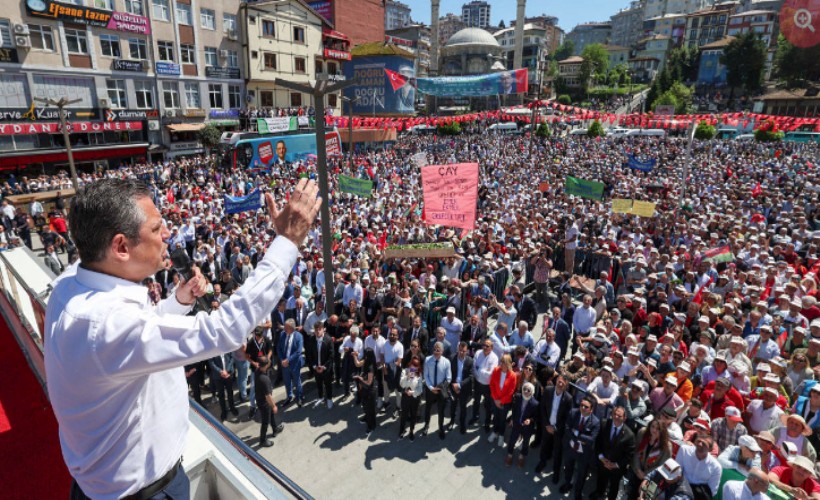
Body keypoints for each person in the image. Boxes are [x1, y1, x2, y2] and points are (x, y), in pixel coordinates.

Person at [45, 177, 320, 499]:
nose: (167, 236)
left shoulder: (72, 285)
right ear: (121, 247)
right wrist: (287, 241)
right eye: (156, 228)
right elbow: (225, 330)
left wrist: (178, 303)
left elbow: (135, 336)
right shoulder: (107, 324)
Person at [560, 395, 601, 500]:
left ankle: (578, 492)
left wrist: (576, 433)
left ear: (591, 410)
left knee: (581, 475)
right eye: (582, 405)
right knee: (568, 468)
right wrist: (580, 438)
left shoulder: (596, 422)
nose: (582, 408)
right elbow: (567, 428)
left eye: (586, 407)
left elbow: (591, 439)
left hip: (584, 454)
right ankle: (567, 484)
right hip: (570, 448)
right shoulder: (573, 412)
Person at [594, 405, 636, 500]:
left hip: (617, 468)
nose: (616, 417)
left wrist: (615, 464)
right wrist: (601, 458)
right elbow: (598, 443)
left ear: (624, 418)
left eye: (619, 416)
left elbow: (629, 456)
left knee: (614, 485)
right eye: (615, 414)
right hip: (603, 462)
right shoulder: (604, 424)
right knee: (601, 479)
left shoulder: (630, 435)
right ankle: (599, 493)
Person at [535, 373, 573, 479]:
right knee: (544, 446)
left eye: (563, 383)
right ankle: (542, 462)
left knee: (557, 451)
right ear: (557, 381)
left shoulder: (569, 399)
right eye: (559, 381)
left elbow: (567, 418)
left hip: (558, 430)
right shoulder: (548, 390)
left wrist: (555, 428)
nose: (560, 384)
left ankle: (556, 472)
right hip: (547, 426)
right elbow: (542, 408)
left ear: (566, 385)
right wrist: (547, 425)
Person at [675, 435, 721, 500]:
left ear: (710, 449)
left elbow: (712, 491)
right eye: (698, 441)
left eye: (704, 444)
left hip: (699, 494)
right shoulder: (684, 450)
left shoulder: (716, 467)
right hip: (681, 487)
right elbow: (677, 472)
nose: (699, 444)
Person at [505, 382, 539, 468]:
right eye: (524, 389)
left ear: (532, 392)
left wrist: (530, 420)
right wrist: (512, 419)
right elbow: (514, 409)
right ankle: (510, 454)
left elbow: (537, 417)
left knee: (526, 442)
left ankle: (521, 456)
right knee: (512, 439)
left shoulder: (535, 404)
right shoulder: (517, 397)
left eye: (529, 390)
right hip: (517, 423)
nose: (526, 391)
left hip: (527, 427)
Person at [422, 341, 452, 439]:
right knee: (428, 409)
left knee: (441, 411)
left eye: (438, 350)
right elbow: (425, 375)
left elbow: (449, 378)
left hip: (440, 390)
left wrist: (440, 387)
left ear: (442, 351)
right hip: (430, 389)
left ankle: (441, 428)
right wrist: (431, 388)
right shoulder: (427, 360)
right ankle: (426, 425)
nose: (436, 351)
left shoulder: (446, 362)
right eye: (434, 349)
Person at [488, 353, 518, 447]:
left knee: (502, 419)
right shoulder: (496, 370)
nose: (501, 363)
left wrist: (501, 401)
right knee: (496, 417)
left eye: (504, 362)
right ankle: (495, 432)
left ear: (509, 363)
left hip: (505, 402)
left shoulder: (512, 375)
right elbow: (492, 385)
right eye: (501, 361)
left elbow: (511, 391)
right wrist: (496, 399)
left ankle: (501, 435)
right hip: (495, 399)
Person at [254, 356, 283, 447]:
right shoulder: (264, 379)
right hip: (264, 403)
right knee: (265, 422)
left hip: (260, 399)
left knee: (271, 415)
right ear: (265, 366)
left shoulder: (257, 371)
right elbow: (268, 396)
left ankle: (275, 429)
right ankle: (262, 440)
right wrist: (274, 406)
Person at [305, 320, 334, 408]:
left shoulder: (328, 340)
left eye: (319, 329)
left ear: (323, 330)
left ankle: (329, 399)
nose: (317, 331)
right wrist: (314, 366)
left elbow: (331, 355)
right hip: (316, 368)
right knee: (318, 383)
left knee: (328, 384)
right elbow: (309, 355)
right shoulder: (311, 340)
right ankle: (321, 397)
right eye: (316, 330)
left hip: (326, 368)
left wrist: (324, 367)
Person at [278, 319, 304, 407]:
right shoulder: (282, 334)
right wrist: (282, 360)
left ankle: (299, 397)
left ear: (292, 328)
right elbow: (279, 348)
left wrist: (288, 360)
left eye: (286, 327)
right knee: (287, 381)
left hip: (294, 364)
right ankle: (289, 396)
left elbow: (298, 351)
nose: (284, 329)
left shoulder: (299, 336)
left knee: (297, 382)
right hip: (284, 364)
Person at [449, 341, 474, 435]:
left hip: (464, 389)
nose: (461, 352)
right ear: (457, 350)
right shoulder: (452, 358)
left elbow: (471, 377)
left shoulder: (470, 361)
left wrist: (459, 385)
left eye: (464, 351)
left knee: (463, 408)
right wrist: (453, 385)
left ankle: (462, 424)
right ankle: (452, 421)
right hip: (453, 387)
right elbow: (449, 374)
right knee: (453, 406)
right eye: (460, 350)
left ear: (467, 351)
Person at [399, 353, 424, 440]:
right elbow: (402, 385)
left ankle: (411, 431)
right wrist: (407, 377)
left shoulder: (419, 375)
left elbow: (420, 390)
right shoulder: (405, 371)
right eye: (413, 365)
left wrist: (412, 392)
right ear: (410, 364)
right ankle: (401, 430)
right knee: (404, 415)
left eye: (416, 366)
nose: (414, 367)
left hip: (414, 398)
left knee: (414, 415)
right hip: (405, 397)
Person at [208, 352, 239, 422]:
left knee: (230, 392)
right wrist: (220, 371)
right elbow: (211, 363)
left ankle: (232, 408)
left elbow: (232, 358)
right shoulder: (213, 349)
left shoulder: (227, 346)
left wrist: (227, 370)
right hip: (218, 376)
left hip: (228, 374)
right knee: (221, 394)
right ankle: (224, 411)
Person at [354, 347, 378, 436]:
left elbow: (369, 382)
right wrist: (355, 356)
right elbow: (357, 364)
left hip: (370, 391)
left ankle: (371, 426)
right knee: (365, 406)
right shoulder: (366, 361)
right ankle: (366, 417)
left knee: (370, 409)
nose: (364, 357)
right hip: (364, 390)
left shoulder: (371, 367)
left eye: (366, 355)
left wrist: (359, 378)